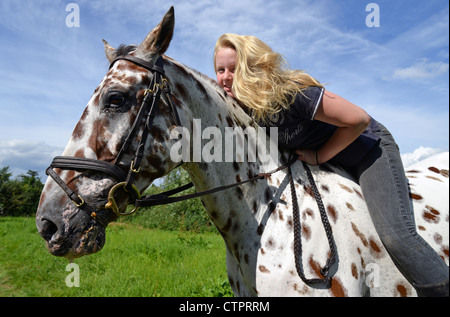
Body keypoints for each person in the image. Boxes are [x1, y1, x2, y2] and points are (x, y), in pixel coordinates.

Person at [213, 33, 449, 297]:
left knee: (397, 236)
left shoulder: (293, 94)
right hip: (327, 166)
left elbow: (358, 119)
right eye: (220, 70)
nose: (224, 77)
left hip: (368, 151)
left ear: (251, 67)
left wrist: (320, 155)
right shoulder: (250, 112)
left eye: (233, 69)